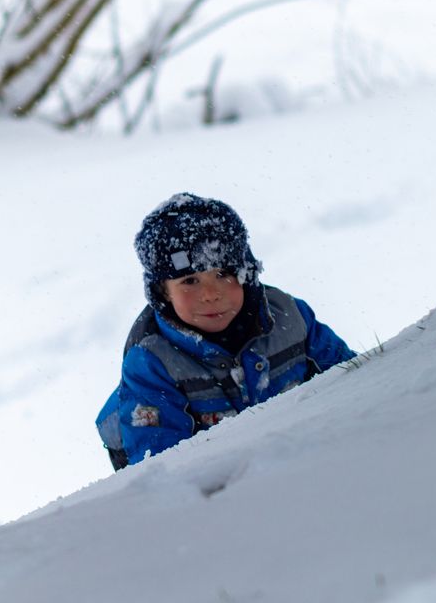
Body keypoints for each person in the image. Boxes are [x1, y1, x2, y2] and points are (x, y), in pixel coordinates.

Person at [96, 193, 355, 469]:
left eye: (222, 274)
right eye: (190, 281)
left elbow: (353, 379)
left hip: (307, 460)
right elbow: (162, 468)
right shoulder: (152, 362)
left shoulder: (289, 317)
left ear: (246, 274)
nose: (210, 294)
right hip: (223, 487)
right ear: (163, 293)